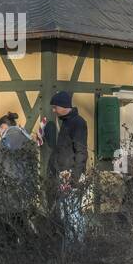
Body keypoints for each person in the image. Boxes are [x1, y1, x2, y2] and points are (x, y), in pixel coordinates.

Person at [38, 90, 88, 240]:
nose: (53, 110)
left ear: (63, 106)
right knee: (65, 216)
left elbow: (81, 152)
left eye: (55, 107)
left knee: (73, 216)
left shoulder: (78, 123)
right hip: (62, 176)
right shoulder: (66, 122)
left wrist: (74, 178)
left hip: (70, 178)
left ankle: (77, 249)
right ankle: (69, 248)